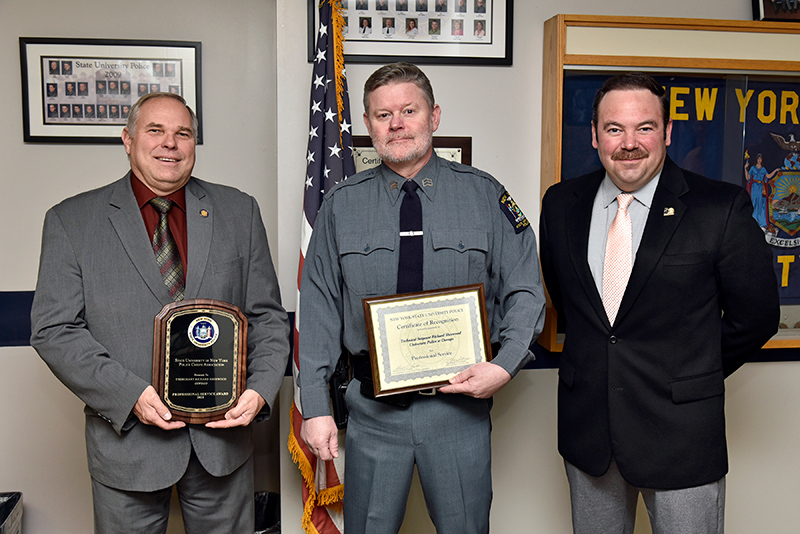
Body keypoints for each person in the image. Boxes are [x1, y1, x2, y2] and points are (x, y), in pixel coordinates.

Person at [298, 62, 545, 534]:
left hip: (458, 414)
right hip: (372, 414)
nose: (396, 124)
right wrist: (315, 407)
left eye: (408, 110)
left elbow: (526, 290)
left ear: (433, 116)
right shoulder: (341, 206)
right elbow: (318, 311)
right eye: (382, 114)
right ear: (367, 125)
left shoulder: (484, 196)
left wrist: (505, 364)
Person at [30, 92, 290, 533]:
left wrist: (261, 390)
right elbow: (54, 330)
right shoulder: (71, 220)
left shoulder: (238, 211)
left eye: (182, 133)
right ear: (128, 140)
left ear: (193, 144)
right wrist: (129, 396)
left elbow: (266, 316)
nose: (170, 143)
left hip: (221, 443)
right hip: (127, 445)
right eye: (156, 131)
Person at [539, 72, 779, 534]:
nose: (629, 143)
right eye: (614, 129)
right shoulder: (561, 204)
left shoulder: (719, 208)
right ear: (594, 136)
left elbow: (757, 317)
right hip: (589, 434)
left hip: (682, 436)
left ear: (667, 132)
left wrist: (690, 371)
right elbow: (571, 304)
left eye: (644, 127)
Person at [745, 153, 779, 229]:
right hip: (754, 187)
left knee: (761, 204)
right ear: (756, 159)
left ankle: (761, 222)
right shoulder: (753, 168)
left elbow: (768, 176)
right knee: (754, 202)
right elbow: (748, 178)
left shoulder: (763, 169)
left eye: (761, 159)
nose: (759, 160)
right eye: (758, 159)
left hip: (761, 188)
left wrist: (775, 170)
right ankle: (753, 220)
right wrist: (745, 168)